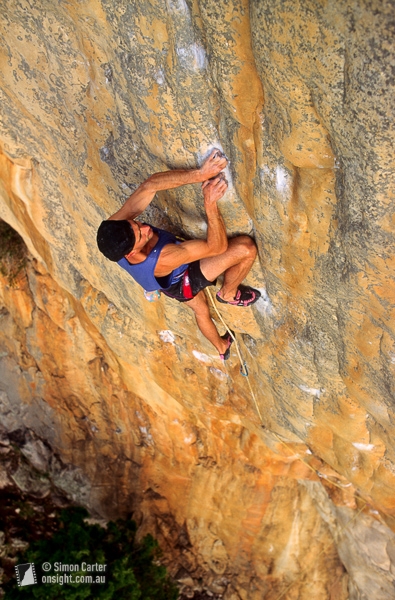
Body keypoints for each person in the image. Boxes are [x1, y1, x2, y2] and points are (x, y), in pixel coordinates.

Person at [97, 149, 260, 360]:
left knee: (200, 309)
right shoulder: (164, 257)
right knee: (246, 248)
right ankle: (228, 294)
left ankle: (221, 348)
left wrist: (199, 174)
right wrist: (209, 203)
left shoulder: (114, 231)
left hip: (164, 283)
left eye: (136, 224)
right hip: (183, 279)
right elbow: (216, 248)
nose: (145, 228)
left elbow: (150, 185)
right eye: (141, 235)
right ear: (132, 252)